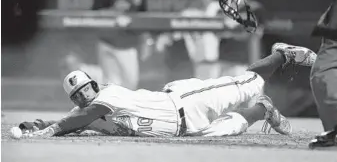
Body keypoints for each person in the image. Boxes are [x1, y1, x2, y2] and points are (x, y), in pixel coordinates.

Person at [18, 43, 316, 138]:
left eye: (85, 89)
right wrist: (38, 126)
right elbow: (74, 119)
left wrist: (54, 127)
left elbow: (79, 119)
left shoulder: (106, 96)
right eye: (77, 95)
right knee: (232, 127)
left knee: (249, 82)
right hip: (183, 129)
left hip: (185, 101)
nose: (83, 96)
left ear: (94, 84)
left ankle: (281, 55)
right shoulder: (84, 111)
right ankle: (263, 109)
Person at [220, 0, 337, 147]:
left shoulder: (255, 7)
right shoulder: (225, 9)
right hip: (224, 59)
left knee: (246, 91)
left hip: (244, 57)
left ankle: (280, 60)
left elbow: (256, 28)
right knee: (323, 72)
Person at [92, 0, 149, 90]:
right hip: (108, 43)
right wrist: (113, 10)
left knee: (132, 82)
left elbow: (144, 17)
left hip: (128, 44)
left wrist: (146, 42)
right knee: (111, 85)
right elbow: (94, 16)